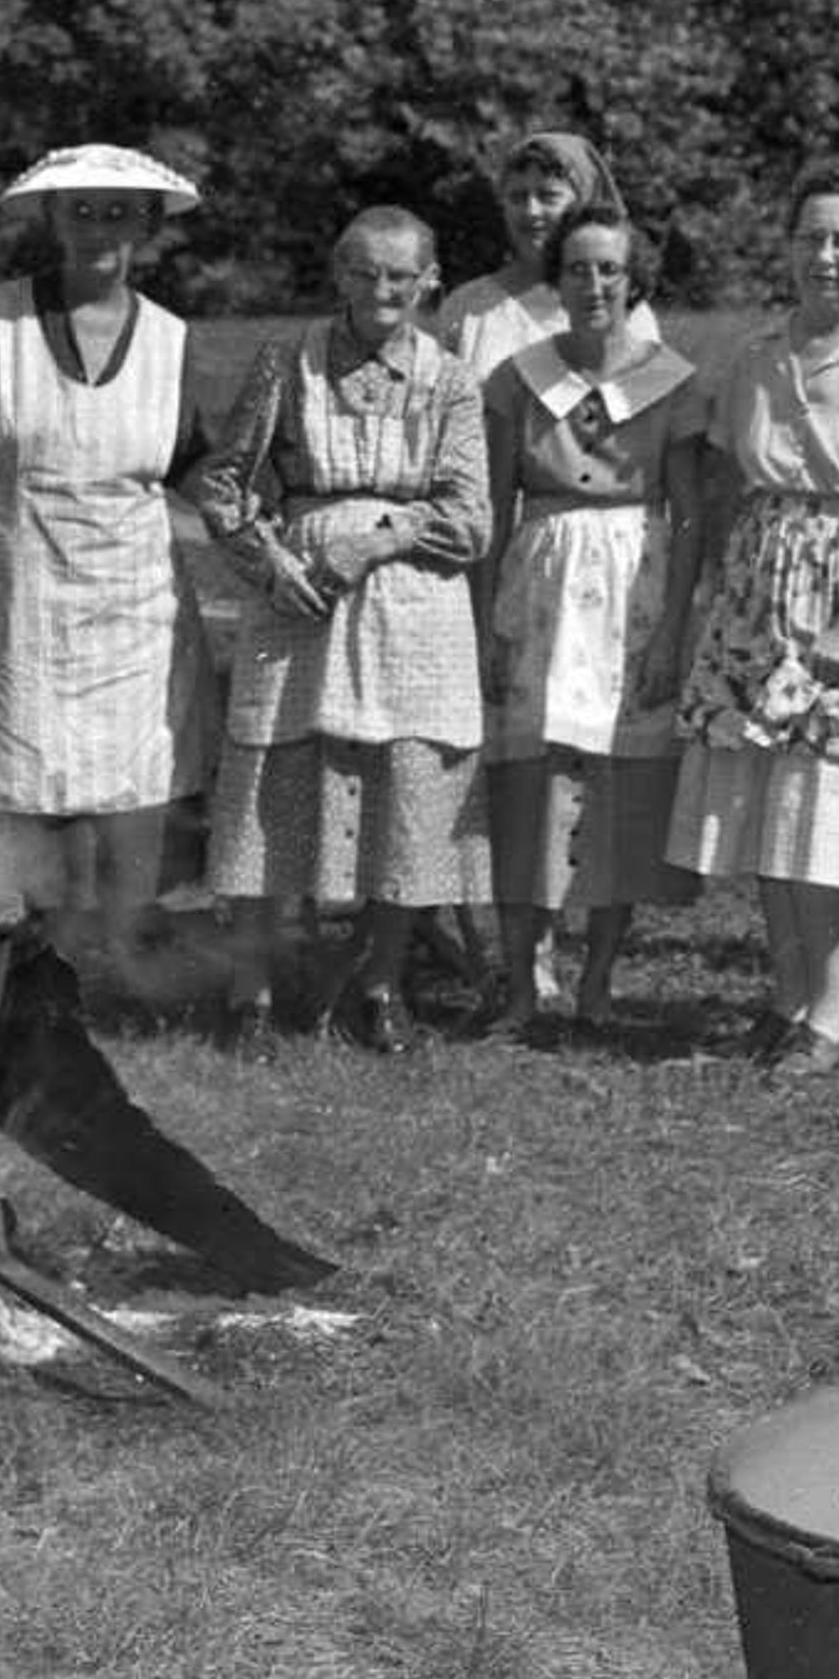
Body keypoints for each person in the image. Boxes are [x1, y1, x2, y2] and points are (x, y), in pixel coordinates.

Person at [0, 142, 208, 970]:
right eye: (82, 209)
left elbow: (193, 462)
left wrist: (268, 526)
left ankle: (115, 956)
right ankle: (24, 952)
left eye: (119, 211)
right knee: (21, 770)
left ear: (149, 224)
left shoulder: (170, 338)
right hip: (20, 580)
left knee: (128, 780)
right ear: (51, 218)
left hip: (131, 589)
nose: (100, 226)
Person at [671, 162, 839, 1080]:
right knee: (766, 807)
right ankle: (786, 1001)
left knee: (822, 809)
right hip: (758, 593)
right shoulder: (755, 356)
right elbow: (721, 480)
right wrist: (721, 591)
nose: (825, 256)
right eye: (810, 238)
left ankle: (829, 1016)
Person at [190, 208, 491, 1053]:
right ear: (339, 275)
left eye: (401, 274)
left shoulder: (450, 379)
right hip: (302, 603)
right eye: (365, 272)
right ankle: (249, 994)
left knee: (409, 785)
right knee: (270, 788)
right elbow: (221, 485)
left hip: (415, 606)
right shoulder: (288, 361)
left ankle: (382, 984)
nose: (383, 290)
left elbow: (470, 521)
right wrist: (266, 559)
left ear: (430, 279)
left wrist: (379, 538)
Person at [478, 199, 707, 1039]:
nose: (594, 284)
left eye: (609, 268)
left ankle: (598, 982)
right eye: (577, 268)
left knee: (619, 784)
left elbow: (689, 517)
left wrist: (673, 628)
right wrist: (484, 620)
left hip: (630, 584)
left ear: (632, 277)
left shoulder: (669, 380)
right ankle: (521, 982)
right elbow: (492, 508)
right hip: (539, 582)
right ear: (557, 279)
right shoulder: (519, 376)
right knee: (530, 779)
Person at [440, 130, 660, 382]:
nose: (531, 211)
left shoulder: (625, 311)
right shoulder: (466, 308)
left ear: (583, 204)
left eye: (548, 196)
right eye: (517, 197)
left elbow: (648, 414)